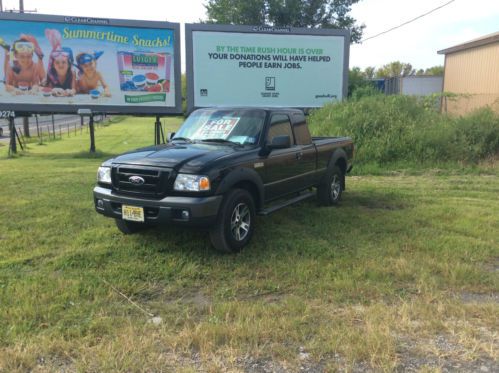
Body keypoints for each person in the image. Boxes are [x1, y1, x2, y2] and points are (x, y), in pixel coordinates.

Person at [44, 28, 76, 96]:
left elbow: (74, 89)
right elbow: (43, 88)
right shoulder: (51, 74)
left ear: (69, 64)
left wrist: (70, 92)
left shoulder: (72, 73)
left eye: (63, 62)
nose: (60, 65)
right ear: (53, 65)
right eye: (57, 62)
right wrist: (52, 89)